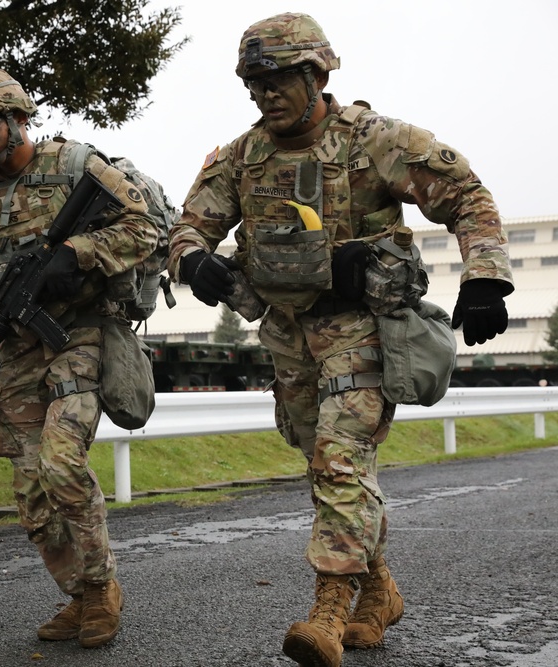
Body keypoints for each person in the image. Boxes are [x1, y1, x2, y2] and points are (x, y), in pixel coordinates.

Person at [167, 13, 513, 667]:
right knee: (324, 464)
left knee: (339, 458)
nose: (266, 94)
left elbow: (465, 193)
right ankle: (378, 592)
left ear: (317, 74)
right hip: (289, 334)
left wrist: (486, 278)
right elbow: (189, 228)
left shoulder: (372, 140)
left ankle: (327, 613)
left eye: (279, 80)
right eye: (255, 82)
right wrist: (192, 259)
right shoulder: (243, 157)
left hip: (363, 327)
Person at [0, 69, 158, 649]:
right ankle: (81, 594)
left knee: (61, 463)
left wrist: (78, 255)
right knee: (31, 490)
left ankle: (103, 588)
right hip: (15, 347)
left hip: (80, 335)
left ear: (16, 117)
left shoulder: (74, 165)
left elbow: (147, 227)